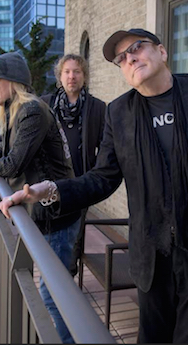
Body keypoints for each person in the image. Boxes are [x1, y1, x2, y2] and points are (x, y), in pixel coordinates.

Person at [0, 28, 188, 343]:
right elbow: (102, 178)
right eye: (122, 58)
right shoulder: (120, 112)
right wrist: (50, 190)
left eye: (136, 48)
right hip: (151, 255)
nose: (130, 58)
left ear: (162, 52)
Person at [0, 51, 80, 343]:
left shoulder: (31, 110)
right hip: (44, 212)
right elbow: (7, 150)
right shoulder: (16, 111)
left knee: (53, 295)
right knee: (52, 291)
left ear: (14, 81)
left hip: (56, 214)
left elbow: (12, 165)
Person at [42, 54, 106, 276]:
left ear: (84, 76)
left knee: (73, 237)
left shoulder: (97, 108)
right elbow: (21, 134)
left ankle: (67, 278)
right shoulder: (45, 104)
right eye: (67, 72)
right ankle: (52, 277)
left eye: (77, 71)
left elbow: (106, 146)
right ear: (60, 76)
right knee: (51, 234)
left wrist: (96, 174)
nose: (72, 76)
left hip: (80, 183)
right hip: (49, 182)